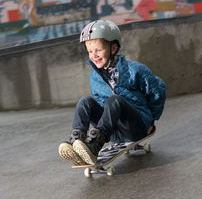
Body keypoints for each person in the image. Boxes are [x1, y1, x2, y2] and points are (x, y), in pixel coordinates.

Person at [58, 19, 166, 165]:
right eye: (90, 51)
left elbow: (157, 91)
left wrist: (151, 121)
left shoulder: (135, 70)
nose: (94, 55)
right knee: (85, 102)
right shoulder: (94, 77)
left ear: (113, 48)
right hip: (113, 131)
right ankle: (77, 142)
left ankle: (96, 144)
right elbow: (103, 106)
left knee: (114, 100)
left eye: (98, 50)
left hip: (136, 127)